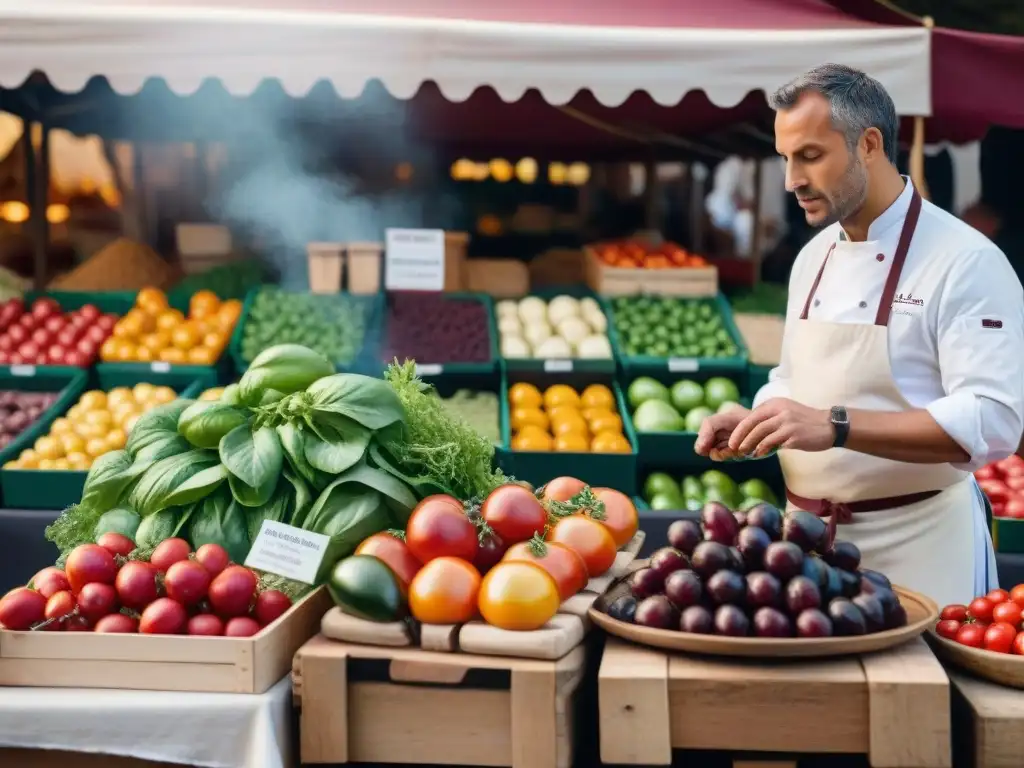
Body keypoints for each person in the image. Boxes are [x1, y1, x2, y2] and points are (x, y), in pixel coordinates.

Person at [694, 64, 1024, 608]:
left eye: (810, 155)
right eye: (785, 158)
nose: (791, 180)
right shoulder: (813, 257)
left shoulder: (966, 262)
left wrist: (836, 425)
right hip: (807, 557)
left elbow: (993, 419)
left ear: (868, 144)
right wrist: (761, 416)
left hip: (921, 549)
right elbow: (794, 378)